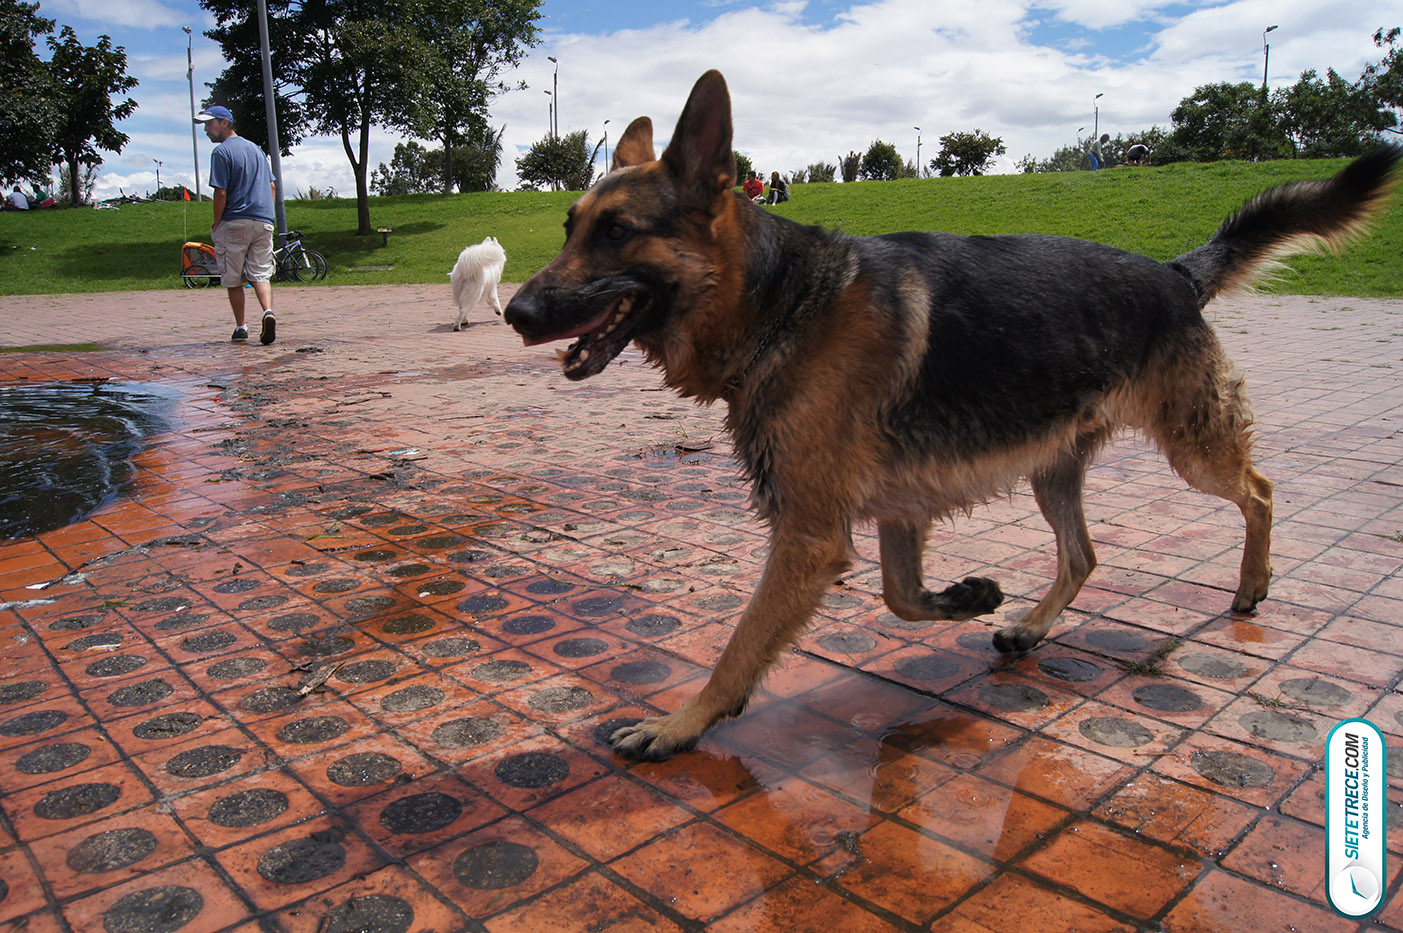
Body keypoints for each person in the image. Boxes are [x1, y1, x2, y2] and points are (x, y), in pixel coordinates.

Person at [195, 105, 277, 345]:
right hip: (263, 221)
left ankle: (241, 327)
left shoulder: (221, 153)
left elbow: (221, 192)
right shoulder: (256, 150)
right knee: (261, 273)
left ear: (225, 122)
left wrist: (217, 224)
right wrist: (268, 215)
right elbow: (272, 186)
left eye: (209, 124)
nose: (207, 130)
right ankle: (267, 311)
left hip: (235, 220)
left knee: (233, 278)